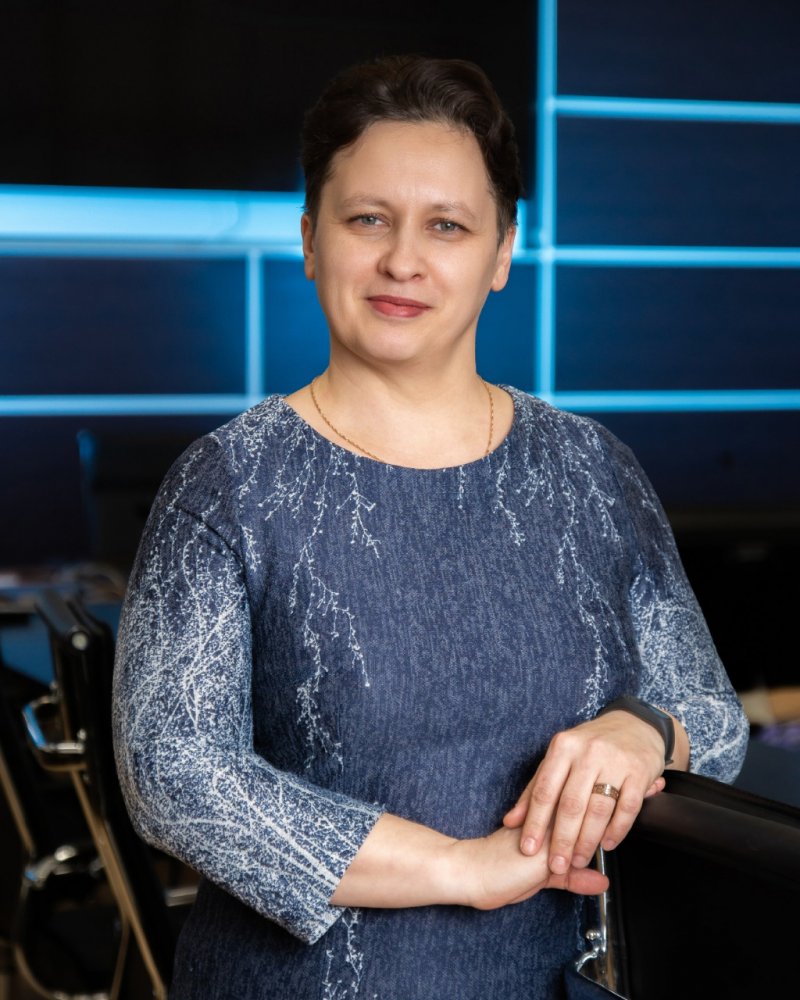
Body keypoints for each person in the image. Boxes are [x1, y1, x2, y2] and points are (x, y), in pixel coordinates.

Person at [111, 53, 750, 999]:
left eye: (447, 225)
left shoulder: (590, 469)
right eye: (367, 219)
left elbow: (716, 722)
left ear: (501, 253)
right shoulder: (229, 482)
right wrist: (460, 868)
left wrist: (643, 729)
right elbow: (173, 774)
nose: (402, 260)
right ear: (310, 239)